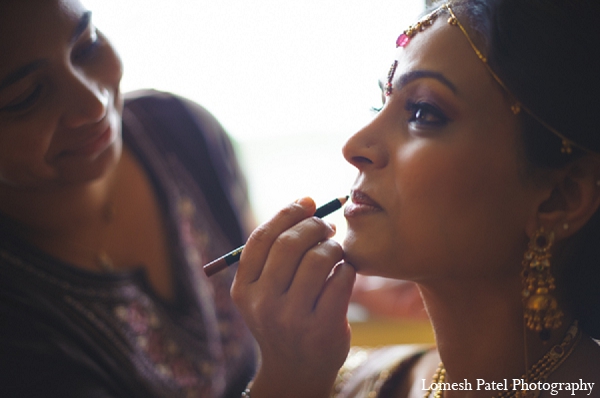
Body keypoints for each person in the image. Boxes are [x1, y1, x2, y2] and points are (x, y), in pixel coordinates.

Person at [231, 0, 600, 397]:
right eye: (381, 102)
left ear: (559, 198)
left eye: (423, 113)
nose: (355, 146)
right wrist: (288, 379)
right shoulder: (353, 383)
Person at [0, 0, 256, 396]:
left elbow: (254, 257)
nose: (93, 104)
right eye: (25, 96)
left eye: (86, 47)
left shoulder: (177, 127)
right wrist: (296, 371)